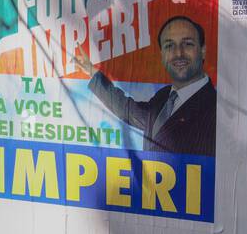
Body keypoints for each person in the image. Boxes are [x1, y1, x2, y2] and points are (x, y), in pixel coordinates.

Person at [74, 15, 217, 157]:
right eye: (169, 45)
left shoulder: (216, 108)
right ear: (162, 55)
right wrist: (91, 71)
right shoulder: (164, 96)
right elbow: (128, 111)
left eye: (187, 44)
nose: (178, 53)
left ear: (203, 50)